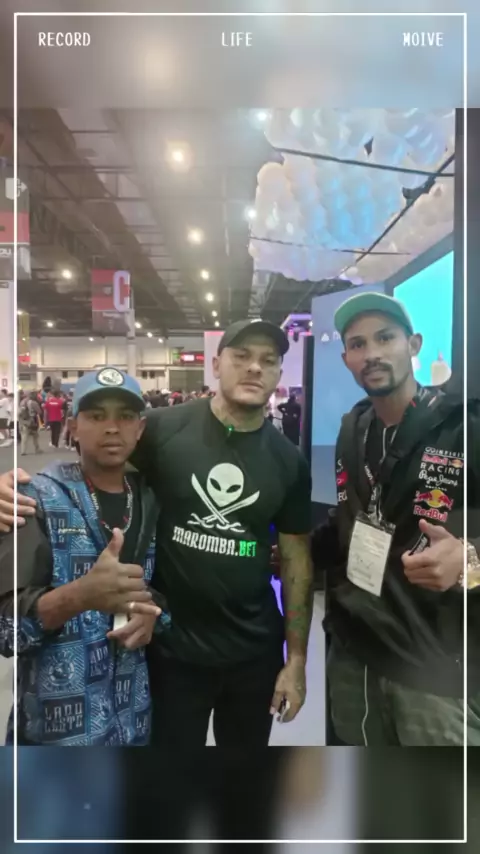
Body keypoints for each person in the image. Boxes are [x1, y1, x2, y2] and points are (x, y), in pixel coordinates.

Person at [0, 320, 313, 750]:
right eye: (242, 356)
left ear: (279, 372)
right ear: (216, 364)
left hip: (253, 654)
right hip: (170, 653)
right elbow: (101, 465)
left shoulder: (289, 461)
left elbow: (297, 561)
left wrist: (297, 660)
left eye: (268, 360)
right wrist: (13, 486)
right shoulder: (162, 429)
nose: (254, 368)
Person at [311, 291, 480, 746]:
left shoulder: (463, 426)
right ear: (346, 358)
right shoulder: (353, 429)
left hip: (435, 668)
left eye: (385, 338)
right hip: (354, 651)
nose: (372, 353)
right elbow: (353, 520)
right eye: (358, 344)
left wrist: (468, 559)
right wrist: (291, 550)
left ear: (414, 344)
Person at [0, 367, 169, 746]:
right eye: (96, 415)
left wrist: (152, 614)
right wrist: (80, 596)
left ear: (140, 428)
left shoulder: (151, 501)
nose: (112, 428)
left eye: (125, 416)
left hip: (134, 723)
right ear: (73, 427)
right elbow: (6, 630)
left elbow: (164, 596)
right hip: (57, 735)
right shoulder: (33, 500)